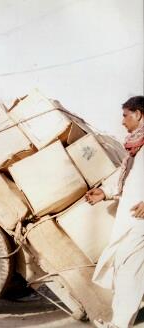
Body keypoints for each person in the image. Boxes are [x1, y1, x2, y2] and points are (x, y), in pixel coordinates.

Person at [86, 96, 144, 328]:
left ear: (138, 114)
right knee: (123, 266)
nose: (122, 122)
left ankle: (120, 324)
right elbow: (127, 179)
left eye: (125, 115)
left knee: (129, 269)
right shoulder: (135, 148)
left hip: (141, 220)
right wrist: (104, 193)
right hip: (130, 219)